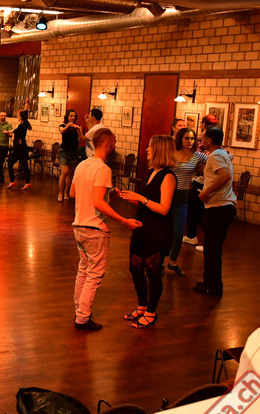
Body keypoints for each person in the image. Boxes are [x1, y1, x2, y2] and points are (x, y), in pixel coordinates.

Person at [70, 128, 141, 331]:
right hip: (94, 228)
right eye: (114, 143)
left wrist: (107, 193)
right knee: (94, 274)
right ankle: (83, 318)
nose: (115, 147)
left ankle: (79, 311)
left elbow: (73, 193)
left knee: (83, 271)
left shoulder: (82, 165)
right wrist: (124, 221)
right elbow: (99, 203)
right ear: (108, 144)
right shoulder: (103, 169)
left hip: (79, 225)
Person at [116, 135, 177, 329]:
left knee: (153, 272)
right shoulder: (151, 172)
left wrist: (141, 199)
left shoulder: (168, 176)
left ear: (160, 150)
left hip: (158, 230)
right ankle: (142, 306)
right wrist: (127, 197)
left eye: (150, 146)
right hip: (142, 226)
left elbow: (164, 208)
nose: (147, 149)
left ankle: (151, 312)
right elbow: (145, 202)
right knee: (135, 268)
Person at [194, 127, 236, 297]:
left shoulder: (216, 155)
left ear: (209, 140)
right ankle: (210, 282)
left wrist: (206, 192)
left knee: (212, 248)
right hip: (223, 207)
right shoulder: (222, 154)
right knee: (212, 248)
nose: (201, 141)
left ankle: (213, 286)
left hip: (219, 207)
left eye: (203, 138)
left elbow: (225, 175)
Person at [166, 128, 208, 276]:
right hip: (167, 195)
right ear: (180, 139)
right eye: (186, 138)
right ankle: (159, 262)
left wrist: (202, 169)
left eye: (192, 138)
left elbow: (218, 160)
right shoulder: (171, 153)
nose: (190, 141)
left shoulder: (197, 156)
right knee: (165, 231)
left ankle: (172, 262)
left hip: (183, 197)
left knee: (178, 233)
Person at [184, 115, 220, 247]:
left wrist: (198, 166)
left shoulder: (207, 146)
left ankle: (209, 242)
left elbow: (220, 170)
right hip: (198, 180)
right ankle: (191, 235)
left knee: (200, 212)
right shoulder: (213, 141)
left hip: (202, 182)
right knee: (192, 209)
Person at [57, 109, 84, 202]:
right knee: (64, 172)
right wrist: (68, 126)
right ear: (67, 116)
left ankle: (66, 192)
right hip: (64, 151)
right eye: (71, 116)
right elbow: (61, 131)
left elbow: (80, 139)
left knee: (70, 173)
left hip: (74, 151)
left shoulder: (77, 126)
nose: (72, 117)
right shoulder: (63, 125)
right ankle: (60, 193)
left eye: (74, 116)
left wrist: (79, 131)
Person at [6, 109, 32, 190]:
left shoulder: (22, 126)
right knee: (24, 166)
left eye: (18, 115)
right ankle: (27, 183)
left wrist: (7, 132)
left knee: (10, 163)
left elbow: (14, 131)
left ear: (21, 117)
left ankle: (13, 182)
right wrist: (26, 104)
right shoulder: (23, 124)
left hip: (19, 149)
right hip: (21, 148)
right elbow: (26, 111)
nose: (17, 116)